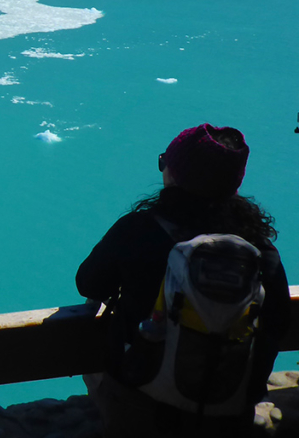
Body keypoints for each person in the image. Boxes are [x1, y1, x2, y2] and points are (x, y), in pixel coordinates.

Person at [77, 124, 291, 437]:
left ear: (174, 174)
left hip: (143, 401)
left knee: (96, 371)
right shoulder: (258, 249)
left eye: (165, 161)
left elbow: (89, 284)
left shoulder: (138, 229)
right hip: (229, 407)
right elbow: (278, 320)